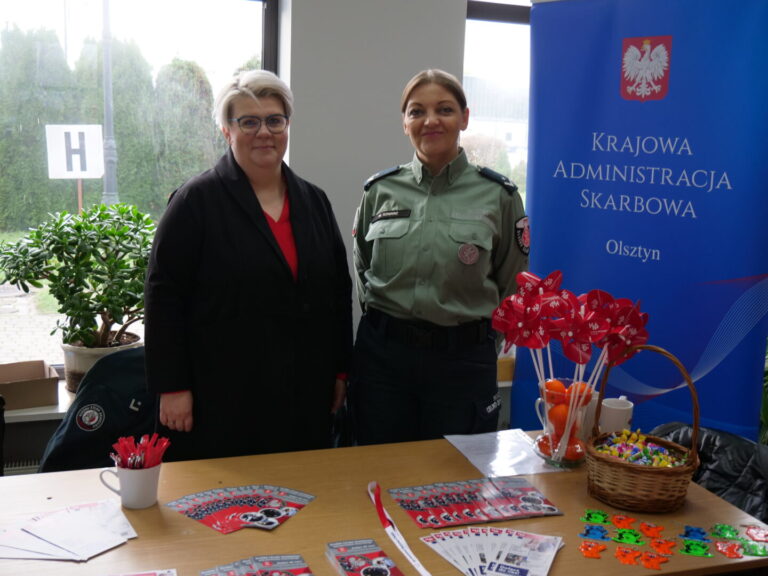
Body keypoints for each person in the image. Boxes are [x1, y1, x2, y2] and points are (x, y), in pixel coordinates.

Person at [144, 70, 352, 461]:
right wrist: (172, 388)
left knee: (305, 490)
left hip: (304, 395)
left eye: (275, 120)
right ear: (227, 131)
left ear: (287, 126)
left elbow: (338, 292)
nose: (264, 132)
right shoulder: (194, 202)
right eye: (249, 122)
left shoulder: (314, 201)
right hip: (221, 399)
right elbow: (163, 298)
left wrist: (340, 372)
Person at [351, 69, 529, 445]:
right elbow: (363, 270)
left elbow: (511, 283)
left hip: (463, 363)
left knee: (458, 471)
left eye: (444, 109)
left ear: (464, 118)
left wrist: (479, 343)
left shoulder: (500, 195)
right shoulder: (379, 190)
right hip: (384, 362)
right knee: (378, 466)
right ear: (405, 123)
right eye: (417, 111)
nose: (430, 120)